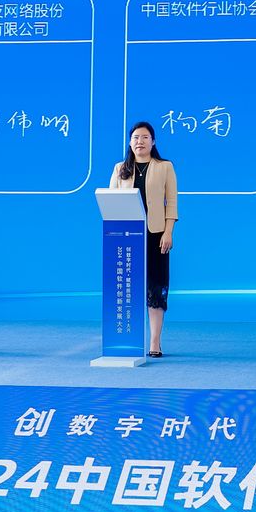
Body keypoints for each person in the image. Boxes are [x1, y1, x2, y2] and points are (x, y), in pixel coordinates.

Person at [111, 121, 177, 357]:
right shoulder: (120, 168)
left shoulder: (165, 167)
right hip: (127, 236)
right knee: (128, 288)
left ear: (153, 141)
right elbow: (111, 201)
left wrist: (168, 232)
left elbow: (172, 202)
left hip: (156, 234)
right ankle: (126, 339)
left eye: (145, 137)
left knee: (156, 287)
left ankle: (155, 341)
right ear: (130, 143)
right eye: (136, 137)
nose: (140, 141)